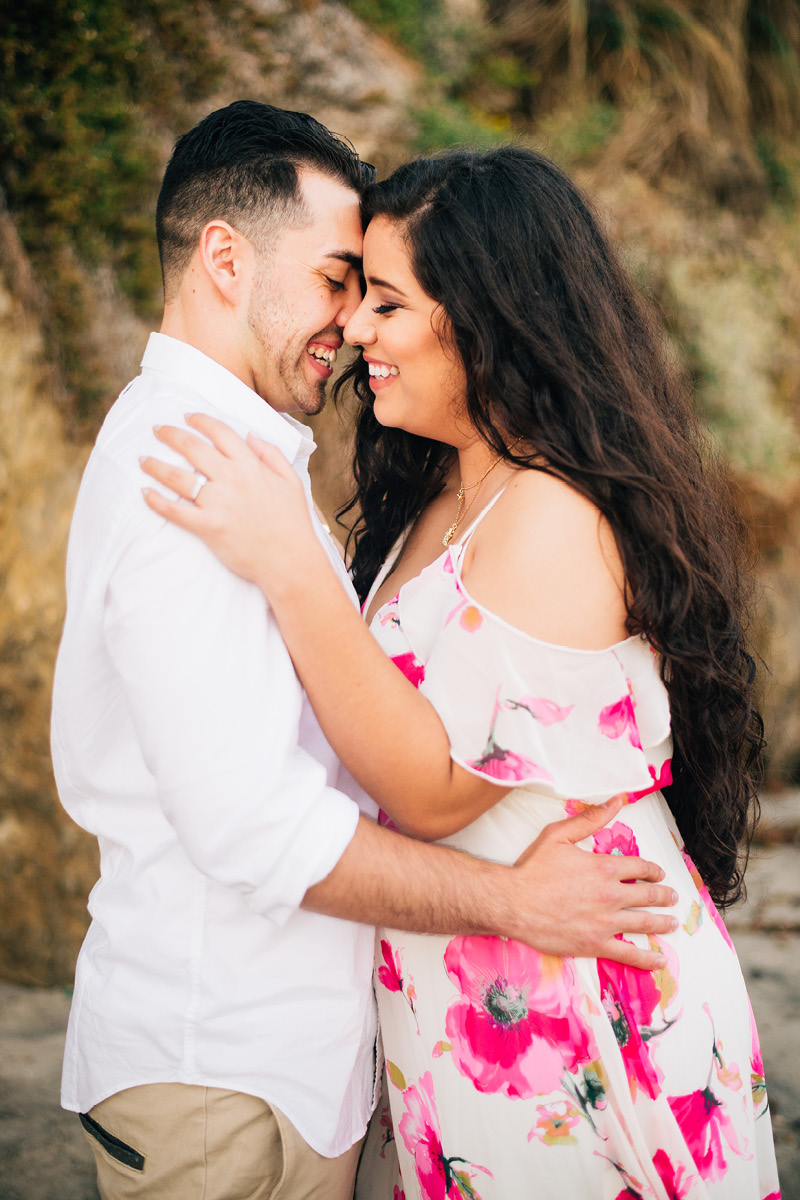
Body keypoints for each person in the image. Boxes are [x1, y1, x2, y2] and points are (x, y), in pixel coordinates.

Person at [51, 106, 676, 1200]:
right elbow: (254, 823)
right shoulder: (186, 471)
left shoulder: (243, 455)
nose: (348, 323)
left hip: (288, 1067)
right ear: (226, 258)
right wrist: (510, 904)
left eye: (376, 294)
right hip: (224, 1072)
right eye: (341, 279)